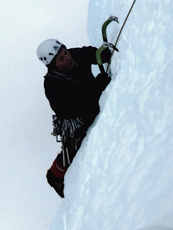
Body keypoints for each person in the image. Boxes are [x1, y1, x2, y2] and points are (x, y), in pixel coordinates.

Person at [37, 17, 118, 198]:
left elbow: (89, 54)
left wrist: (102, 55)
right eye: (61, 59)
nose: (67, 58)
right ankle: (55, 175)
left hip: (87, 99)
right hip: (71, 117)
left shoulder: (74, 57)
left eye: (65, 53)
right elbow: (70, 108)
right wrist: (96, 88)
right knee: (74, 145)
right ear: (53, 67)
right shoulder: (52, 86)